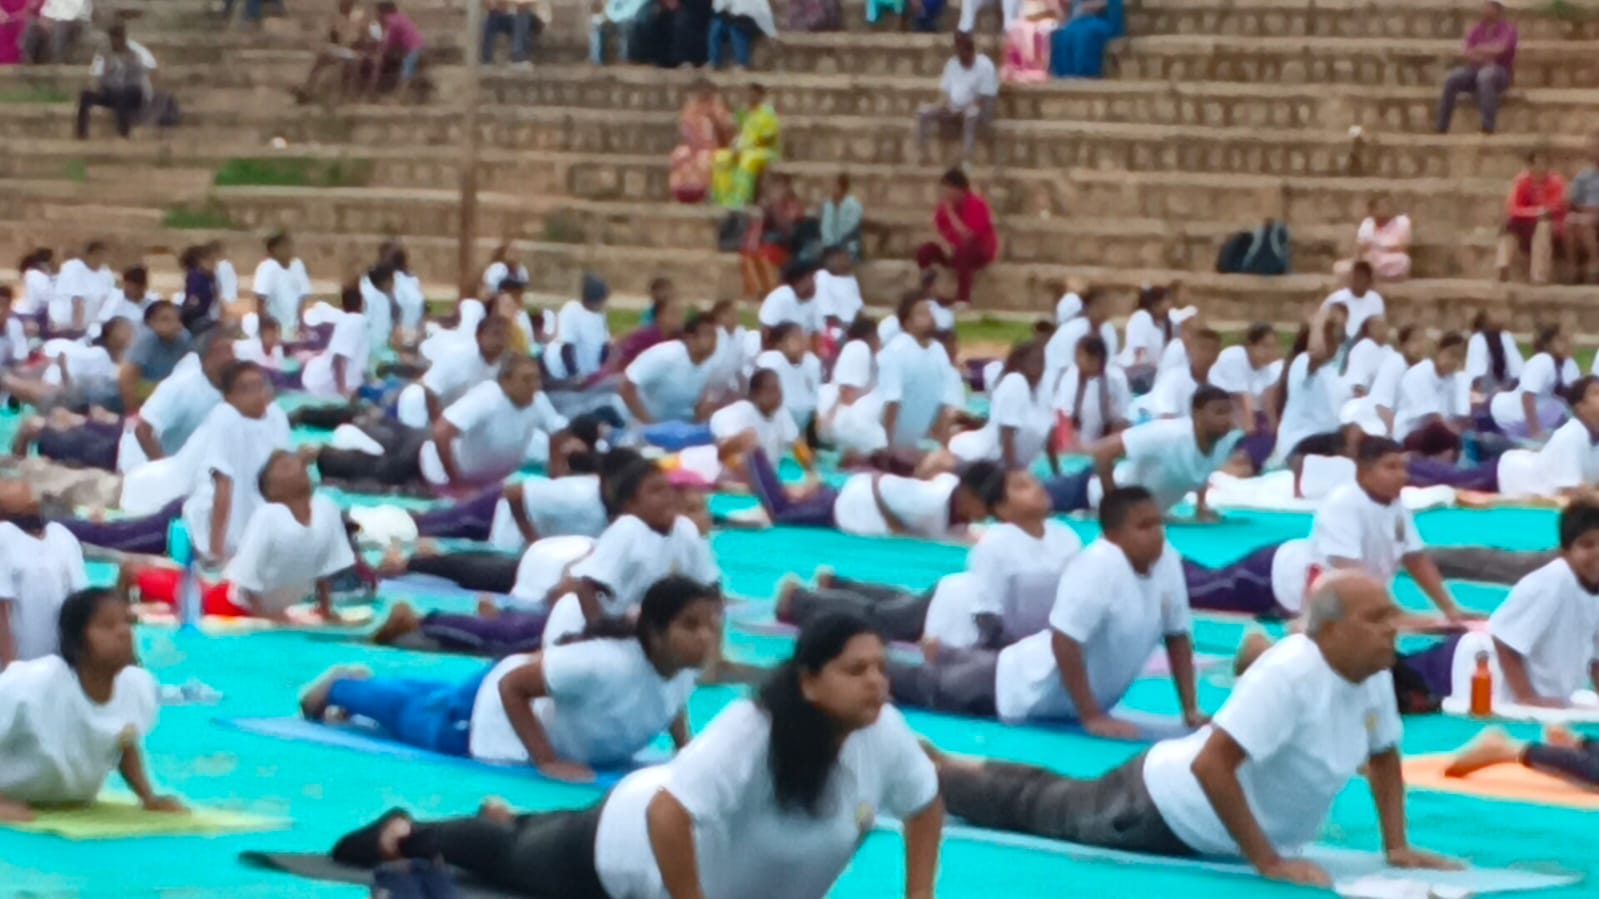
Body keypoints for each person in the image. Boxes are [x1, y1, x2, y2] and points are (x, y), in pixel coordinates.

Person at [326, 613, 942, 899]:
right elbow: (668, 815)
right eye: (856, 670)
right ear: (808, 681)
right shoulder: (753, 728)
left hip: (655, 817)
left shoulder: (880, 730)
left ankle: (504, 815)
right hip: (624, 844)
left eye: (881, 670)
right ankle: (405, 833)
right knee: (510, 854)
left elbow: (925, 804)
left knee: (525, 831)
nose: (876, 683)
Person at [935, 571, 1458, 888]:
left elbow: (1385, 755)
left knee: (1052, 792)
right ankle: (930, 775)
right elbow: (1213, 765)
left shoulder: (1370, 672)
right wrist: (1268, 861)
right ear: (1334, 629)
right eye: (1378, 617)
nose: (1394, 627)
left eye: (1393, 614)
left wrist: (1397, 845)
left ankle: (947, 764)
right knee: (1041, 808)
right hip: (1162, 808)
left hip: (1206, 823)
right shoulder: (1291, 673)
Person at [302, 575, 717, 781]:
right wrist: (548, 761)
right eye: (690, 625)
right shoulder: (604, 663)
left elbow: (671, 698)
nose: (705, 637)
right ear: (656, 632)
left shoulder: (683, 665)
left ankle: (358, 680)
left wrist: (685, 747)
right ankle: (339, 687)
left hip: (521, 687)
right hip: (485, 722)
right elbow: (512, 687)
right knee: (405, 711)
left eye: (709, 625)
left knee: (427, 693)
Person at [888, 486, 1203, 736]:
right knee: (906, 681)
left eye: (1158, 522)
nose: (1157, 533)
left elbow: (1177, 635)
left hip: (1019, 663)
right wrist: (1091, 715)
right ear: (1113, 536)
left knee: (955, 662)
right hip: (1009, 687)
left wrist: (1190, 709)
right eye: (1143, 526)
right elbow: (1065, 641)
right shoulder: (1100, 564)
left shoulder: (1167, 561)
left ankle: (944, 652)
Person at [777, 469, 1075, 646]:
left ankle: (837, 583)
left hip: (950, 598)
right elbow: (988, 621)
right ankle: (798, 600)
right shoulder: (996, 544)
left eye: (1034, 482)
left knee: (901, 600)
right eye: (1022, 487)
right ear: (1003, 510)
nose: (1037, 488)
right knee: (879, 618)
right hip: (954, 612)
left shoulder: (1066, 537)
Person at [0, 588, 183, 823]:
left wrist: (148, 797)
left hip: (68, 803)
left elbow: (123, 744)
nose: (124, 633)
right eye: (107, 626)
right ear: (77, 641)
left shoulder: (134, 685)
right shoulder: (35, 683)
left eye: (128, 622)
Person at [122, 450, 361, 621]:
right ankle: (117, 606)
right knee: (137, 573)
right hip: (230, 604)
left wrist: (326, 609)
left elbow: (326, 568)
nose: (290, 463)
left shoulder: (326, 508)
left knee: (192, 583)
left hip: (272, 603)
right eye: (282, 466)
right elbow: (245, 581)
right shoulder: (269, 516)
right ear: (271, 491)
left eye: (292, 461)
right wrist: (265, 615)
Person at [1310, 437, 1471, 622]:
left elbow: (1415, 558)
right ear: (1363, 472)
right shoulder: (1342, 503)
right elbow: (1348, 571)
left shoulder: (1396, 504)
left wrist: (1450, 609)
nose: (1402, 475)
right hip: (1315, 592)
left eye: (1403, 467)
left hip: (1364, 596)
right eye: (1391, 467)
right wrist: (1393, 614)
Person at [1050, 385, 1242, 518]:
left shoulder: (1224, 440)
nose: (1226, 419)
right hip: (1086, 492)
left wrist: (1201, 506)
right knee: (1024, 506)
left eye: (1228, 412)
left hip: (1146, 515)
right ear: (1197, 414)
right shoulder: (1168, 434)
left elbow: (1202, 467)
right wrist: (1114, 506)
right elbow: (1103, 451)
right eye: (1218, 412)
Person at [183, 362, 293, 565]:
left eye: (261, 386)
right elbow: (223, 485)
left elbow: (285, 481)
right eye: (246, 390)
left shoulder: (276, 416)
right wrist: (216, 552)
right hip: (202, 520)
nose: (257, 394)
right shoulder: (225, 416)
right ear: (229, 397)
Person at [0, 481, 89, 666]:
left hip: (53, 664)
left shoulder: (62, 536)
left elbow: (80, 604)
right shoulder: (5, 538)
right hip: (29, 665)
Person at [950, 338, 1055, 472]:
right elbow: (1007, 433)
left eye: (1041, 362)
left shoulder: (1042, 390)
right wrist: (1012, 472)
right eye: (1033, 362)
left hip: (1015, 464)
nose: (1038, 368)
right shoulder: (1015, 382)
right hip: (984, 460)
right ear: (1020, 363)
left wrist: (1057, 472)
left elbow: (1050, 436)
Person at [876, 297, 965, 450]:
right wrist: (887, 448)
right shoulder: (897, 351)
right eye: (922, 314)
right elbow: (891, 402)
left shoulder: (938, 350)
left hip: (915, 440)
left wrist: (942, 444)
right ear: (908, 323)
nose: (930, 317)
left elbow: (945, 404)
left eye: (930, 312)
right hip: (882, 436)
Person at [915, 168, 997, 306]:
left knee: (964, 251)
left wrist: (951, 214)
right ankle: (928, 292)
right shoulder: (944, 206)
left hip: (977, 251)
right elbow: (937, 230)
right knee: (925, 251)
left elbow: (968, 235)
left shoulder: (977, 204)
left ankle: (963, 299)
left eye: (948, 190)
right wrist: (944, 245)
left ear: (959, 190)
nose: (945, 194)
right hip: (952, 250)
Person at [620, 313, 720, 426]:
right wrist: (649, 424)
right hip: (637, 423)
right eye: (708, 335)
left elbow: (697, 404)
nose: (714, 341)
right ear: (690, 338)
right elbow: (626, 386)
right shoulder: (667, 355)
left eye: (715, 335)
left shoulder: (709, 364)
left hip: (674, 429)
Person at [1436, 0, 1517, 135]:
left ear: (1498, 9)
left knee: (1485, 76)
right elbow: (1466, 51)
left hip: (1500, 71)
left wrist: (1479, 50)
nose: (1484, 9)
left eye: (1489, 6)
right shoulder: (1477, 29)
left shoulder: (1509, 29)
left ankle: (1488, 126)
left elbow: (1501, 48)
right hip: (1476, 68)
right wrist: (1485, 54)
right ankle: (1441, 126)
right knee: (1452, 78)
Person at [916, 32, 998, 165]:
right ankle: (923, 156)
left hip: (976, 109)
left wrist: (967, 107)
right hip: (952, 107)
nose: (960, 55)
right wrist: (941, 104)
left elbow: (986, 97)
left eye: (963, 51)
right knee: (923, 112)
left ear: (970, 50)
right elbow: (945, 91)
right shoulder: (952, 63)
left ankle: (967, 159)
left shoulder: (985, 65)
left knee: (971, 114)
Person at [1488, 324, 1577, 439]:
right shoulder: (1543, 360)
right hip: (1506, 415)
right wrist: (1535, 432)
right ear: (1547, 344)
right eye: (1561, 340)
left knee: (1562, 407)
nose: (1567, 344)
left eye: (1568, 339)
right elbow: (1527, 396)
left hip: (1526, 421)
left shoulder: (1567, 365)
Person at [1496, 150, 1567, 284]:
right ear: (1530, 166)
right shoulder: (1522, 181)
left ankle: (1538, 276)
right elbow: (1513, 208)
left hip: (1552, 225)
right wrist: (1535, 212)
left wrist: (1539, 213)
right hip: (1528, 222)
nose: (1542, 168)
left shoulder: (1556, 182)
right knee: (1508, 226)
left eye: (1544, 164)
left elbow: (1556, 206)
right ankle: (1503, 265)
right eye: (1538, 164)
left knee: (1543, 224)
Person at [1208, 322, 1284, 447]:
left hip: (1245, 411)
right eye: (1265, 346)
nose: (1269, 352)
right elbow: (1243, 397)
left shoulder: (1267, 370)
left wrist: (1275, 430)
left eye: (1273, 347)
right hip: (1221, 405)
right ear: (1250, 345)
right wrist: (1250, 427)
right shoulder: (1234, 356)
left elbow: (1268, 402)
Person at [1052, 334, 1130, 451]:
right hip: (1073, 444)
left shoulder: (1115, 379)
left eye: (1084, 357)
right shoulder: (1070, 376)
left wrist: (1104, 448)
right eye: (1077, 356)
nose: (1078, 360)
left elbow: (1121, 420)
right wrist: (1072, 445)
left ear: (1098, 359)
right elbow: (1063, 416)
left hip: (1104, 443)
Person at [76, 24, 155, 140]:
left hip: (131, 92)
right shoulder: (105, 55)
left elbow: (137, 82)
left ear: (123, 39)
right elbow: (99, 77)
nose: (115, 42)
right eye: (112, 39)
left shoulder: (134, 56)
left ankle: (124, 133)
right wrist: (97, 86)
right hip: (111, 92)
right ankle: (81, 134)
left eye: (117, 38)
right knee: (85, 96)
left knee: (122, 95)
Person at [710, 84, 780, 209]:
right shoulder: (743, 113)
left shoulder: (767, 113)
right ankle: (722, 199)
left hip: (763, 150)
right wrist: (734, 146)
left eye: (754, 94)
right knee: (721, 157)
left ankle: (741, 199)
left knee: (748, 159)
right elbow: (738, 132)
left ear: (760, 96)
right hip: (742, 148)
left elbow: (768, 137)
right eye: (749, 94)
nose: (751, 97)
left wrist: (748, 147)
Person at [116, 301, 190, 413]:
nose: (174, 324)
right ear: (151, 322)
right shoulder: (144, 340)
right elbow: (126, 378)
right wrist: (135, 413)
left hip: (163, 395)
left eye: (177, 319)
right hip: (134, 396)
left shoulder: (184, 338)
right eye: (165, 320)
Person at [300, 286, 371, 399]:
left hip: (322, 380)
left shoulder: (349, 321)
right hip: (323, 385)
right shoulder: (355, 322)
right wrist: (342, 391)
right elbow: (339, 357)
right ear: (362, 304)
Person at [668, 81, 734, 204]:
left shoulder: (718, 109)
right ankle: (680, 191)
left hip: (713, 148)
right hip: (693, 148)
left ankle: (704, 193)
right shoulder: (690, 110)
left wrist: (713, 119)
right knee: (679, 154)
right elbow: (686, 131)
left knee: (704, 160)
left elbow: (727, 131)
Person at [754, 323, 822, 432]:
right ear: (780, 344)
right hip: (778, 423)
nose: (803, 341)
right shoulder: (772, 361)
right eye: (796, 337)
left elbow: (815, 397)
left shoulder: (812, 363)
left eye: (803, 336)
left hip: (807, 420)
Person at [546, 273, 613, 383]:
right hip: (566, 373)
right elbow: (566, 348)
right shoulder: (572, 310)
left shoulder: (600, 315)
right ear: (594, 300)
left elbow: (604, 346)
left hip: (590, 374)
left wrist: (602, 372)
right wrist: (574, 374)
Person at [1340, 194, 1412, 283]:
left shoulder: (1402, 221)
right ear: (1372, 210)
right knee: (1342, 267)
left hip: (1392, 258)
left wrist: (1380, 248)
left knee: (1403, 261)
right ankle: (1368, 274)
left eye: (1387, 205)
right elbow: (1361, 248)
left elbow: (1403, 247)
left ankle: (1370, 275)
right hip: (1370, 260)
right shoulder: (1367, 223)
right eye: (1381, 207)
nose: (1386, 209)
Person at [252, 232, 311, 340]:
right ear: (273, 250)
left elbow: (302, 298)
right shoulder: (267, 268)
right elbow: (261, 301)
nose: (289, 249)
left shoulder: (298, 265)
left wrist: (302, 324)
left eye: (290, 245)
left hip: (293, 327)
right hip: (275, 328)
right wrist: (264, 331)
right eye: (284, 246)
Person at [50, 240, 113, 336]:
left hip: (90, 327)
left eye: (103, 256)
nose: (99, 259)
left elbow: (107, 301)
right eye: (97, 255)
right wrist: (78, 333)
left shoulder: (106, 273)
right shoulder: (73, 268)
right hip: (66, 326)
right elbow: (78, 303)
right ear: (88, 255)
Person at [1049, 0, 1122, 79]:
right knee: (1062, 34)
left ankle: (1085, 74)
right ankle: (1064, 75)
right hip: (1082, 21)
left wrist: (1094, 5)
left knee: (1084, 34)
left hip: (1104, 20)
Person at [1118, 285, 1172, 391]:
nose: (1169, 306)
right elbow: (1139, 351)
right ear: (1156, 303)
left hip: (1150, 374)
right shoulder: (1141, 317)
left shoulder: (1161, 326)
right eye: (1167, 301)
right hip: (1135, 373)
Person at [368, 1, 426, 98]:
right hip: (418, 46)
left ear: (382, 13)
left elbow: (387, 43)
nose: (376, 16)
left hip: (413, 49)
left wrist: (378, 53)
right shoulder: (400, 18)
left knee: (406, 69)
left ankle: (399, 97)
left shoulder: (391, 22)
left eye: (377, 13)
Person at [1465, 309, 1524, 397]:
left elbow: (1518, 373)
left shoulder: (1505, 337)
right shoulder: (1478, 339)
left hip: (1508, 393)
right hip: (1486, 396)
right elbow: (1476, 377)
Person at [1321, 260, 1384, 341]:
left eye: (1361, 277)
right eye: (1355, 275)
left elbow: (1378, 328)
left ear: (1369, 280)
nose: (1357, 280)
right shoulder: (1337, 298)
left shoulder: (1376, 300)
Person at [757, 262, 820, 341]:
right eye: (811, 278)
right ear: (799, 281)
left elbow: (815, 335)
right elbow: (765, 331)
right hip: (776, 348)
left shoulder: (813, 302)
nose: (815, 283)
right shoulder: (781, 297)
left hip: (800, 350)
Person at [707, 0, 776, 70]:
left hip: (751, 21)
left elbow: (761, 12)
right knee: (716, 26)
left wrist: (771, 32)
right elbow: (718, 8)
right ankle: (713, 62)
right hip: (731, 18)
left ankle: (741, 62)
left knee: (736, 29)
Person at [1570, 129, 1599, 285]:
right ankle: (1575, 267)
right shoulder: (1583, 176)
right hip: (1587, 215)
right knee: (1571, 221)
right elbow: (1575, 202)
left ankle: (1595, 264)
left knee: (1586, 221)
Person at [481, 0, 542, 66]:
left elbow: (524, 4)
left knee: (522, 13)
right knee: (493, 16)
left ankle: (519, 58)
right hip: (510, 18)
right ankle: (487, 60)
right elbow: (499, 7)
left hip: (531, 18)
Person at [818, 173, 863, 262]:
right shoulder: (828, 205)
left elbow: (850, 228)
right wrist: (829, 244)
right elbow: (825, 228)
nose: (832, 189)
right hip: (829, 248)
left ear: (843, 188)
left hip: (847, 246)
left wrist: (837, 245)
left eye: (835, 186)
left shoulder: (854, 205)